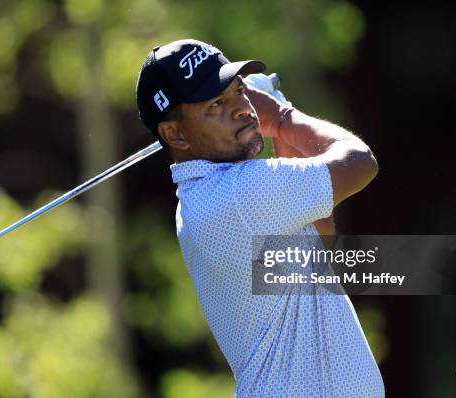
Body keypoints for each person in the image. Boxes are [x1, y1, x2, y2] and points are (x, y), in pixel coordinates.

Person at [136, 39, 384, 397]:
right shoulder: (239, 196)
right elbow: (360, 163)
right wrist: (283, 119)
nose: (241, 108)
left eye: (239, 90)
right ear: (175, 133)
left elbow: (320, 238)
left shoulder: (206, 198)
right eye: (216, 104)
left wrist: (280, 131)